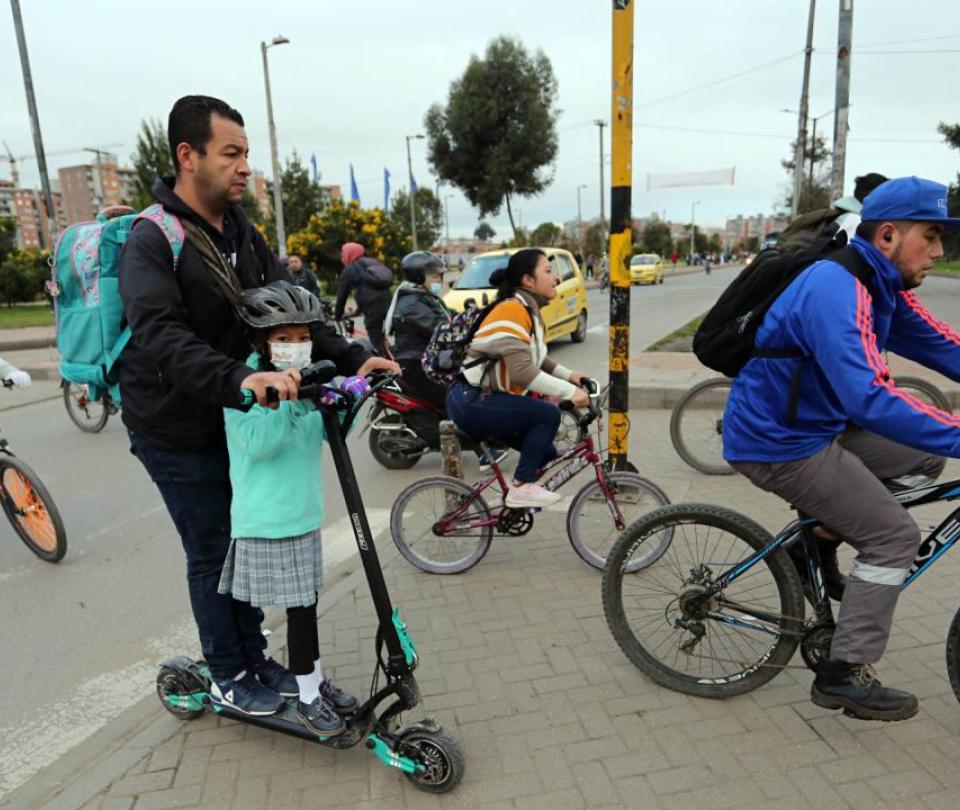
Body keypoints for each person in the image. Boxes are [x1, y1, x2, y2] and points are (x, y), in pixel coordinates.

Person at [119, 95, 397, 717]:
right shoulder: (151, 238)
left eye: (247, 154)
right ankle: (226, 670)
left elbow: (295, 312)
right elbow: (159, 335)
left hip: (234, 410)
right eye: (231, 153)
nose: (245, 167)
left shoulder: (243, 233)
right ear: (188, 157)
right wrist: (243, 381)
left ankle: (255, 657)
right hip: (173, 423)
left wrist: (355, 358)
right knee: (213, 547)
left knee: (242, 541)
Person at [722, 176, 960, 722]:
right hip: (778, 442)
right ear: (887, 235)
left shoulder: (884, 286)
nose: (941, 251)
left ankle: (818, 542)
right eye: (932, 236)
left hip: (819, 425)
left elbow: (944, 346)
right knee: (892, 536)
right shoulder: (838, 288)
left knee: (924, 458)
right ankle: (843, 671)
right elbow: (873, 398)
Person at [218, 281, 358, 732]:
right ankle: (309, 692)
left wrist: (347, 401)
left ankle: (311, 679)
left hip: (302, 515)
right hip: (268, 519)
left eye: (302, 338)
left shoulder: (304, 382)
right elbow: (258, 444)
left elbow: (325, 434)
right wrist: (289, 401)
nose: (296, 348)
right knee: (300, 611)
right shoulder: (244, 389)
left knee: (306, 608)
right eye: (283, 339)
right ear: (261, 342)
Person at [446, 248, 591, 508]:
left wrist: (572, 376)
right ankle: (521, 487)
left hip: (483, 398)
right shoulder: (512, 311)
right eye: (548, 271)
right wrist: (570, 393)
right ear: (528, 281)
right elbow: (523, 372)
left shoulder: (527, 311)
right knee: (548, 415)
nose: (556, 278)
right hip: (471, 399)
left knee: (545, 452)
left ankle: (516, 502)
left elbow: (536, 359)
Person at [385, 251, 506, 469]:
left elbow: (452, 317)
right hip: (416, 365)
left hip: (431, 359)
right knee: (458, 394)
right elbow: (442, 330)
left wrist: (483, 316)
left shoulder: (424, 297)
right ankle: (483, 452)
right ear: (420, 277)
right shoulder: (411, 304)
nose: (439, 282)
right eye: (435, 277)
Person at [334, 243, 393, 355]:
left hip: (373, 307)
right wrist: (358, 311)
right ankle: (392, 354)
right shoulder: (373, 263)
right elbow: (369, 288)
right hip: (389, 302)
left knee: (375, 339)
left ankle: (383, 365)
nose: (342, 256)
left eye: (343, 253)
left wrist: (337, 316)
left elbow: (342, 294)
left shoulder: (351, 269)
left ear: (350, 254)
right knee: (383, 335)